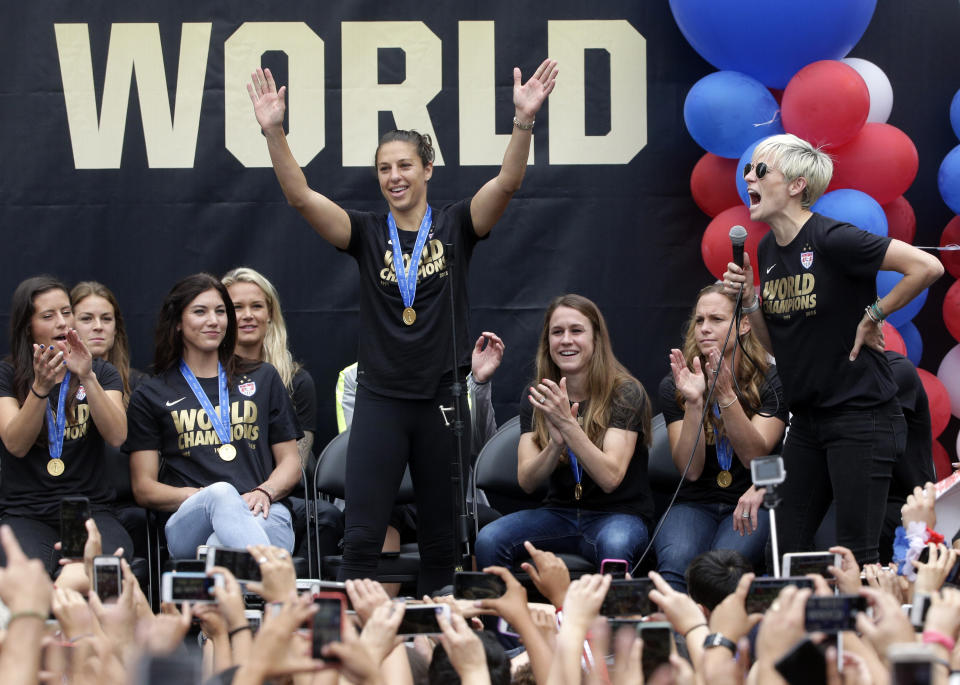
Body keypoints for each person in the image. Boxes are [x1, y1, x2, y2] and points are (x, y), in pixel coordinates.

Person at [247, 58, 557, 594]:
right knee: (362, 535)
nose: (394, 176)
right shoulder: (366, 233)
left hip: (441, 399)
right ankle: (352, 653)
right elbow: (300, 197)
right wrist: (274, 131)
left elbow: (508, 182)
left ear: (427, 169)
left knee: (442, 537)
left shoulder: (458, 224)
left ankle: (441, 650)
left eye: (405, 165)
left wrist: (524, 120)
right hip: (382, 399)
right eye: (385, 168)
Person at [724, 132, 944, 564]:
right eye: (749, 169)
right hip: (808, 421)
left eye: (760, 169)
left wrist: (875, 314)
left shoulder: (832, 238)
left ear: (796, 185)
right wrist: (750, 300)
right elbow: (777, 346)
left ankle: (871, 631)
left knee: (854, 557)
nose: (748, 176)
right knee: (785, 551)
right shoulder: (767, 249)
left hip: (860, 414)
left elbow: (927, 266)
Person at [125, 273, 303, 557]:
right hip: (189, 518)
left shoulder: (263, 377)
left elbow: (291, 462)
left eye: (221, 311)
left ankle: (234, 590)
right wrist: (213, 500)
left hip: (262, 509)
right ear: (178, 324)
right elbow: (144, 488)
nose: (214, 320)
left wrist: (265, 492)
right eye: (200, 312)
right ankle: (282, 592)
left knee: (218, 551)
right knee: (221, 493)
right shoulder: (151, 393)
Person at [474, 294, 654, 571]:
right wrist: (555, 445)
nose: (566, 340)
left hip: (619, 515)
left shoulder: (625, 392)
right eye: (557, 332)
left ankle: (609, 616)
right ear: (548, 342)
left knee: (616, 546)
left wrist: (568, 427)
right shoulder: (537, 395)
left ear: (596, 339)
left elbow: (610, 477)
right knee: (489, 539)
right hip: (559, 514)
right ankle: (499, 616)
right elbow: (527, 481)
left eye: (577, 331)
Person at [653, 283, 787, 591]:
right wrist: (695, 403)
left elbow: (757, 458)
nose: (704, 329)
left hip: (751, 499)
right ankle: (677, 637)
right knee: (675, 566)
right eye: (699, 320)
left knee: (724, 570)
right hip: (695, 502)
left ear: (743, 325)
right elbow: (691, 470)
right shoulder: (677, 383)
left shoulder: (771, 380)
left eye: (716, 319)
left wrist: (726, 397)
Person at [0, 276, 132, 573]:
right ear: (28, 326)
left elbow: (117, 435)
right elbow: (16, 444)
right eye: (48, 316)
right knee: (25, 574)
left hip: (88, 510)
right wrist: (40, 388)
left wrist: (86, 376)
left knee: (104, 568)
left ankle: (68, 599)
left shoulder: (101, 372)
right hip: (27, 513)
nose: (62, 322)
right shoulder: (7, 375)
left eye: (66, 312)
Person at [221, 267, 317, 469]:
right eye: (237, 307)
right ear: (222, 316)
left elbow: (297, 464)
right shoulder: (205, 377)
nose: (248, 315)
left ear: (270, 314)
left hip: (278, 495)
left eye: (256, 306)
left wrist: (263, 492)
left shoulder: (295, 381)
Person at [70, 281, 144, 403]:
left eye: (106, 319)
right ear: (69, 325)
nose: (98, 326)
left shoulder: (138, 384)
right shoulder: (55, 382)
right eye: (86, 318)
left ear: (116, 328)